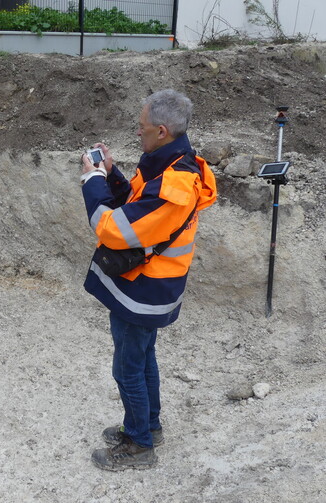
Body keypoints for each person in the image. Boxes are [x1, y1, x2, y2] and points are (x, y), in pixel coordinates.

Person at [79, 89, 217, 471]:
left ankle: (139, 445)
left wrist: (91, 181)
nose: (136, 134)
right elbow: (136, 201)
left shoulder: (174, 185)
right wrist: (111, 173)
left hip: (145, 290)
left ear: (160, 130)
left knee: (127, 367)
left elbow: (113, 229)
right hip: (151, 285)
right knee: (142, 359)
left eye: (140, 129)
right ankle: (148, 426)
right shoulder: (170, 162)